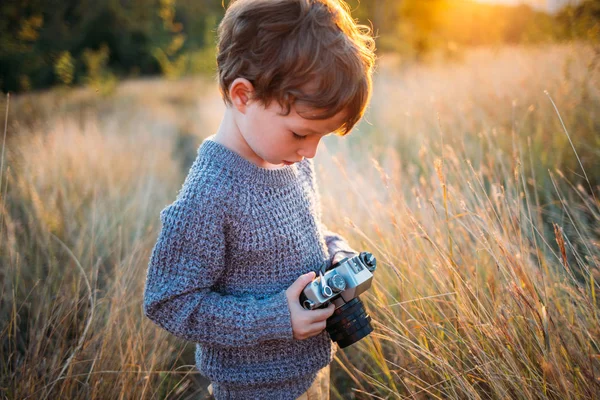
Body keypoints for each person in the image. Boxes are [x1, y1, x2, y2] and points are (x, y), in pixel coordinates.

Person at [142, 0, 376, 398]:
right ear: (242, 96)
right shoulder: (210, 194)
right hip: (251, 389)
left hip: (309, 373)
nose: (311, 151)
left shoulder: (288, 161)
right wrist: (276, 318)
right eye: (302, 133)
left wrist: (337, 256)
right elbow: (169, 300)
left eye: (322, 137)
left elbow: (303, 232)